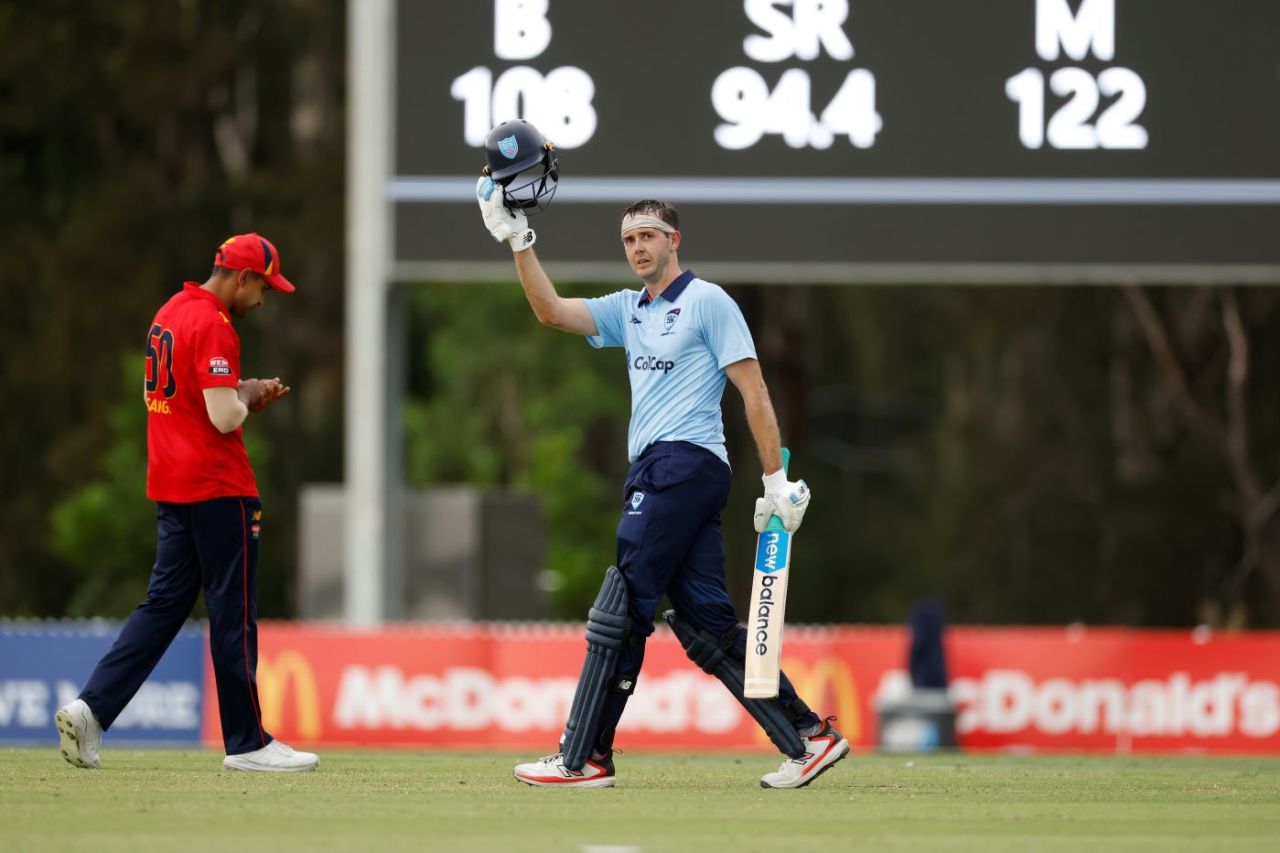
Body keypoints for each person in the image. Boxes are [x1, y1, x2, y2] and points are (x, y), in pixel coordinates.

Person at [476, 175, 849, 789]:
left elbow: (753, 389)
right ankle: (810, 736)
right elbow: (551, 311)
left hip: (686, 464)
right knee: (705, 626)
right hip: (655, 470)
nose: (638, 247)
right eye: (628, 239)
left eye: (648, 235)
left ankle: (584, 756)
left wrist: (777, 480)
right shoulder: (629, 309)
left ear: (674, 240)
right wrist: (518, 238)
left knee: (621, 607)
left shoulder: (708, 301)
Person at [55, 233, 319, 773]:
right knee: (233, 613)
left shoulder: (171, 311)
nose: (264, 299)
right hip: (220, 490)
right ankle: (247, 743)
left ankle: (90, 710)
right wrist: (247, 394)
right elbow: (224, 416)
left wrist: (240, 390)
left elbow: (186, 398)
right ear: (242, 277)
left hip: (173, 487)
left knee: (162, 607)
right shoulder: (215, 324)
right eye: (264, 287)